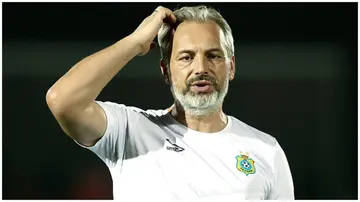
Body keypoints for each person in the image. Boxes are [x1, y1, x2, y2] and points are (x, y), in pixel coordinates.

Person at [46, 5, 294, 201]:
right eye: (186, 57)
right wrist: (134, 43)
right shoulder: (130, 132)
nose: (201, 68)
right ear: (166, 71)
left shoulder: (266, 151)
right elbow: (63, 100)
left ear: (231, 67)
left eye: (213, 56)